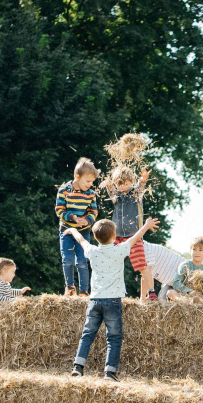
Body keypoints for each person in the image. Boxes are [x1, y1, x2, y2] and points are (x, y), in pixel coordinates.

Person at [67, 216, 159, 380]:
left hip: (95, 300)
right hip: (113, 301)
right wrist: (146, 225)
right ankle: (110, 373)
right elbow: (135, 238)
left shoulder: (92, 251)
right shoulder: (120, 250)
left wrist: (73, 230)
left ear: (96, 237)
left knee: (87, 334)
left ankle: (78, 367)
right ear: (115, 236)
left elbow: (81, 240)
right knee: (114, 338)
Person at [104, 163, 155, 299]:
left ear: (131, 182)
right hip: (117, 236)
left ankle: (151, 292)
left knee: (142, 265)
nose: (123, 187)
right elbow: (110, 189)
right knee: (111, 263)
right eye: (119, 184)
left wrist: (143, 179)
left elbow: (141, 187)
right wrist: (107, 183)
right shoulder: (116, 196)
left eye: (126, 184)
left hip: (134, 236)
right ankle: (108, 290)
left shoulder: (135, 194)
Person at [55, 158, 100, 296]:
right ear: (77, 177)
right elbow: (59, 210)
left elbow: (93, 212)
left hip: (83, 232)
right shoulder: (64, 190)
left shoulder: (91, 193)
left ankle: (84, 291)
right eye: (88, 181)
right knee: (68, 259)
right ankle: (69, 287)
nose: (90, 184)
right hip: (67, 230)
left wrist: (87, 221)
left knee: (82, 261)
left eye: (92, 182)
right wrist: (73, 217)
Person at [0, 257, 31, 324]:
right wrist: (11, 300)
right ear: (4, 271)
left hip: (3, 312)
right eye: (12, 272)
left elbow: (9, 292)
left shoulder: (6, 283)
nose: (14, 275)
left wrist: (20, 291)